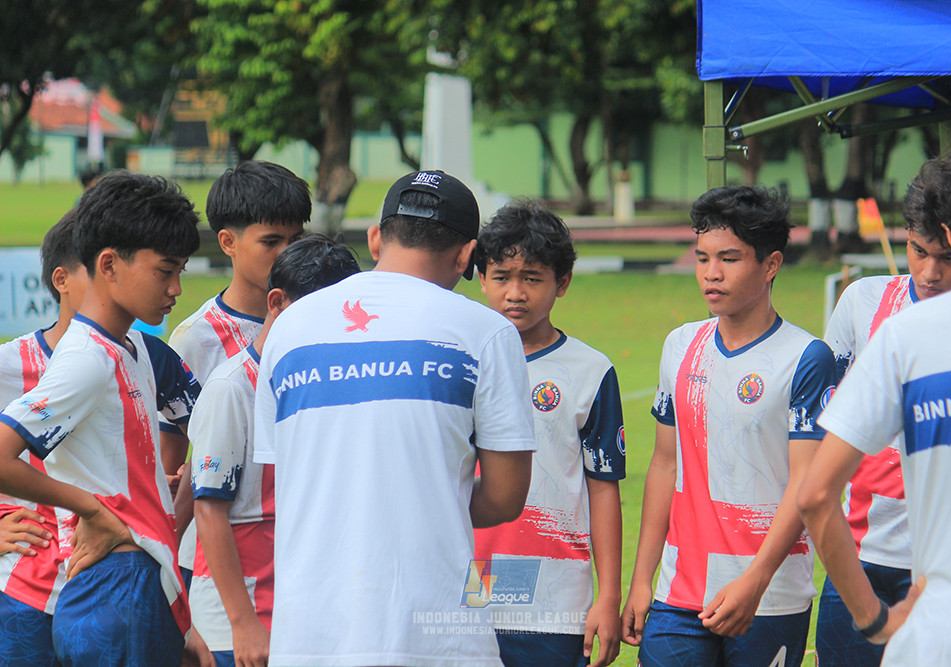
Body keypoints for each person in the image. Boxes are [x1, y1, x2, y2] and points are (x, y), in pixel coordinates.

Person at [253, 169, 536, 666]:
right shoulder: (486, 333)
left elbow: (284, 476)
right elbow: (506, 497)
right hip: (437, 636)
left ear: (377, 238)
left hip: (309, 635)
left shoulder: (289, 328)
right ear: (468, 255)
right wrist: (428, 501)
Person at [798, 137, 951, 665]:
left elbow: (815, 492)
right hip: (876, 558)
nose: (930, 272)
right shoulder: (871, 306)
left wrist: (878, 622)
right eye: (917, 251)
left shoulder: (909, 334)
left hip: (942, 624)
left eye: (942, 254)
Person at [621, 185, 838, 667]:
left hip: (770, 594)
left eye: (729, 258)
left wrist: (756, 580)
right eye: (702, 259)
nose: (711, 274)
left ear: (771, 265)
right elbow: (664, 463)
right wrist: (642, 580)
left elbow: (806, 482)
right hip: (680, 591)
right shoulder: (680, 345)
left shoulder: (807, 358)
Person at [0, 171, 201, 665]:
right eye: (165, 270)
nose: (176, 288)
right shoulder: (87, 359)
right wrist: (92, 509)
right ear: (109, 264)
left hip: (133, 581)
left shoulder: (129, 347)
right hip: (113, 587)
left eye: (182, 271)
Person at [190, 236, 360, 667]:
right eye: (318, 316)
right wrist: (242, 622)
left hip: (298, 606)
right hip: (243, 615)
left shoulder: (323, 383)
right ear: (278, 302)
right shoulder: (231, 388)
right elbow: (208, 509)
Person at [473, 201, 625, 667]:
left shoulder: (590, 370)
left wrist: (609, 596)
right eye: (501, 277)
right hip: (470, 591)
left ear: (562, 283)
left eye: (532, 278)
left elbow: (603, 489)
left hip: (557, 600)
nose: (515, 292)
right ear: (482, 279)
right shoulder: (461, 361)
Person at [169, 160, 309, 588]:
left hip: (301, 539)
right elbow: (173, 465)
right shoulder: (196, 339)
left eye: (295, 240)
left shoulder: (316, 322)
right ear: (228, 242)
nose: (287, 254)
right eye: (271, 241)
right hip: (218, 558)